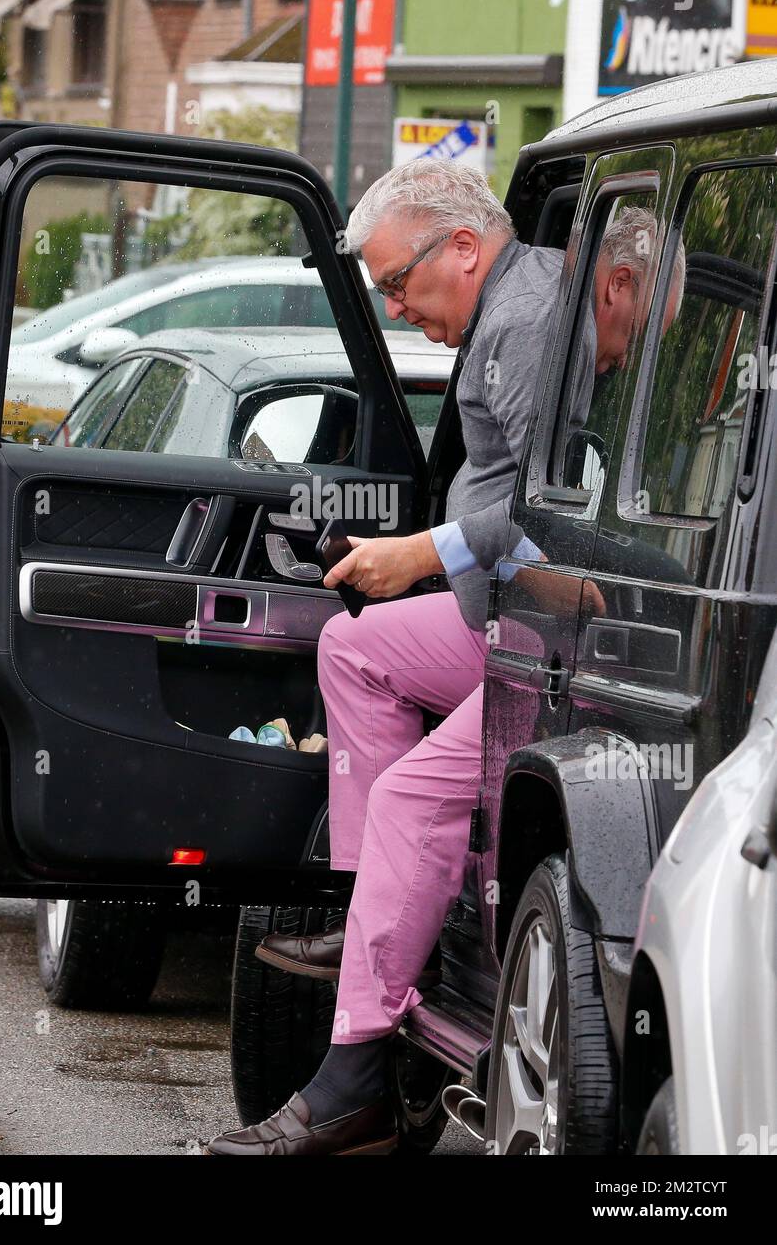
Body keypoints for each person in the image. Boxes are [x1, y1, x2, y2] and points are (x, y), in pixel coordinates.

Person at [204, 165, 664, 1157]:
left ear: (461, 247)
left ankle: (351, 1078)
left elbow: (545, 510)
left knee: (415, 793)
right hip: (499, 618)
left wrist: (420, 551)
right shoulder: (512, 306)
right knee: (356, 646)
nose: (399, 309)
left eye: (398, 284)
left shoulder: (525, 318)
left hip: (554, 641)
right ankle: (383, 913)